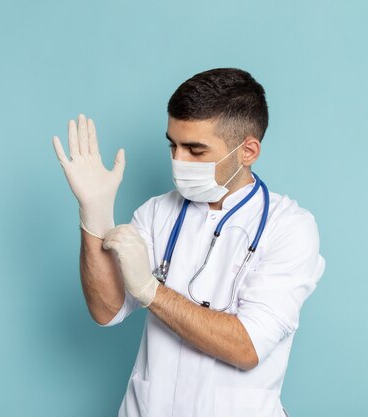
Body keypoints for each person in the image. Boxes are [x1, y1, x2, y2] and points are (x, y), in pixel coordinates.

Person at [52, 68, 325, 417]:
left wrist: (151, 290)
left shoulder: (289, 228)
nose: (178, 161)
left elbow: (247, 346)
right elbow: (107, 311)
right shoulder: (156, 212)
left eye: (195, 150)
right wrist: (94, 216)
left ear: (248, 151)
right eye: (173, 145)